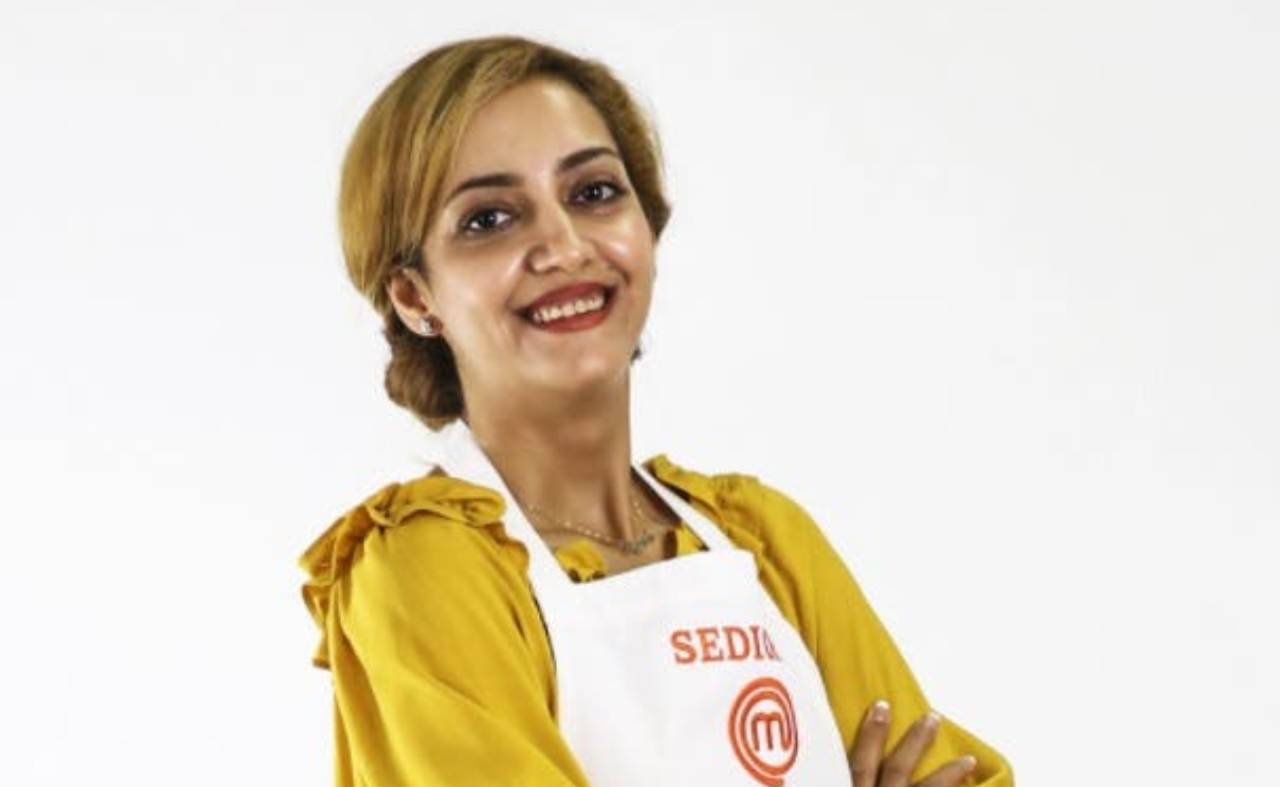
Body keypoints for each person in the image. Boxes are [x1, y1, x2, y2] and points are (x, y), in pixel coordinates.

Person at [298, 34, 1014, 787]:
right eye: (489, 219)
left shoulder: (765, 541)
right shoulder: (425, 570)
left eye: (593, 193)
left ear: (646, 229)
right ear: (415, 296)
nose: (564, 246)